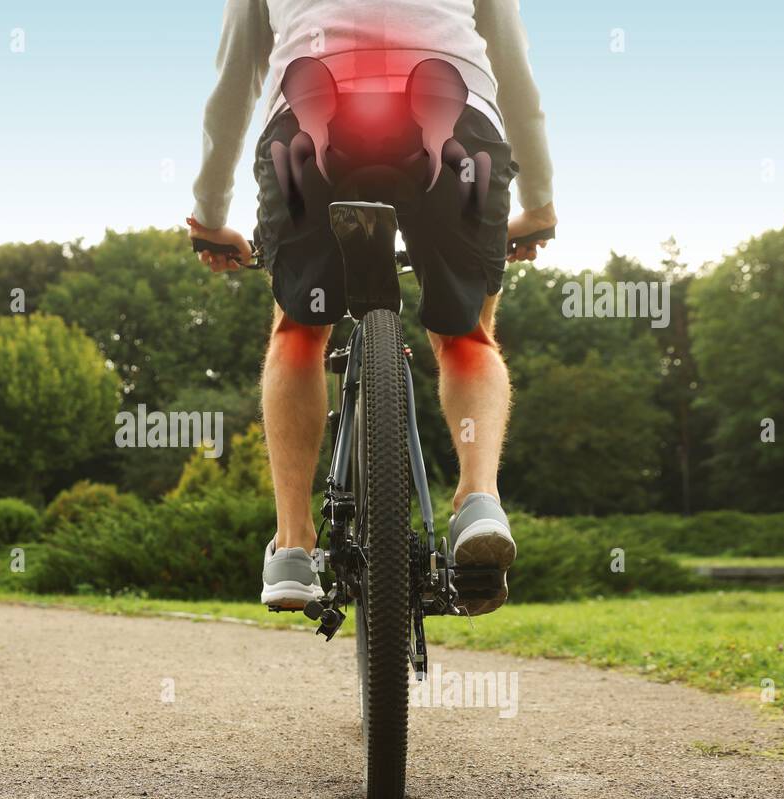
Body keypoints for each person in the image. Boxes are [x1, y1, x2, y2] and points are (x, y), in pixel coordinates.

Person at [188, 0, 556, 615]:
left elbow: (233, 85)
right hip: (454, 115)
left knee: (299, 330)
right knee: (468, 336)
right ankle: (479, 502)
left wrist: (210, 215)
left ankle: (293, 545)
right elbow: (514, 69)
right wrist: (540, 202)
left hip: (313, 115)